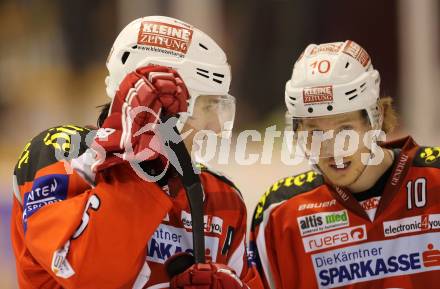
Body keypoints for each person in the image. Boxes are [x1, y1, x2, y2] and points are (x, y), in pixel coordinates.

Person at [11, 16, 262, 289]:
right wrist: (143, 169)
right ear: (161, 104)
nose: (215, 127)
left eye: (220, 107)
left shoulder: (221, 199)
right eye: (206, 107)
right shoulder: (60, 152)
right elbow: (90, 276)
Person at [250, 40, 440, 289]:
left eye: (345, 130)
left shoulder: (435, 178)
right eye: (315, 132)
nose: (332, 150)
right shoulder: (280, 213)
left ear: (376, 118)